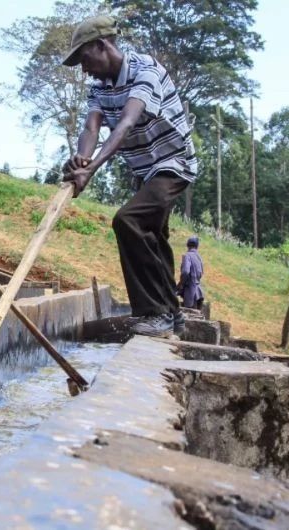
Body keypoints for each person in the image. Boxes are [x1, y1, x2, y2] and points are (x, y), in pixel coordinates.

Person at [61, 15, 197, 338]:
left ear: (102, 45)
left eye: (84, 59)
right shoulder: (98, 89)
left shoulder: (145, 71)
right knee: (154, 235)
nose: (84, 69)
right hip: (144, 169)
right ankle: (172, 314)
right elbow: (91, 128)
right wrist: (82, 159)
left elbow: (124, 123)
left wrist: (92, 170)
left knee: (128, 221)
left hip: (173, 163)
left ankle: (154, 314)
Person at [177, 236, 204, 310]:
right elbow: (201, 273)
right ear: (197, 246)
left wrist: (181, 284)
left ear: (187, 245)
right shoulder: (199, 257)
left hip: (190, 294)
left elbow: (185, 272)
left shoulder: (187, 256)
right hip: (199, 293)